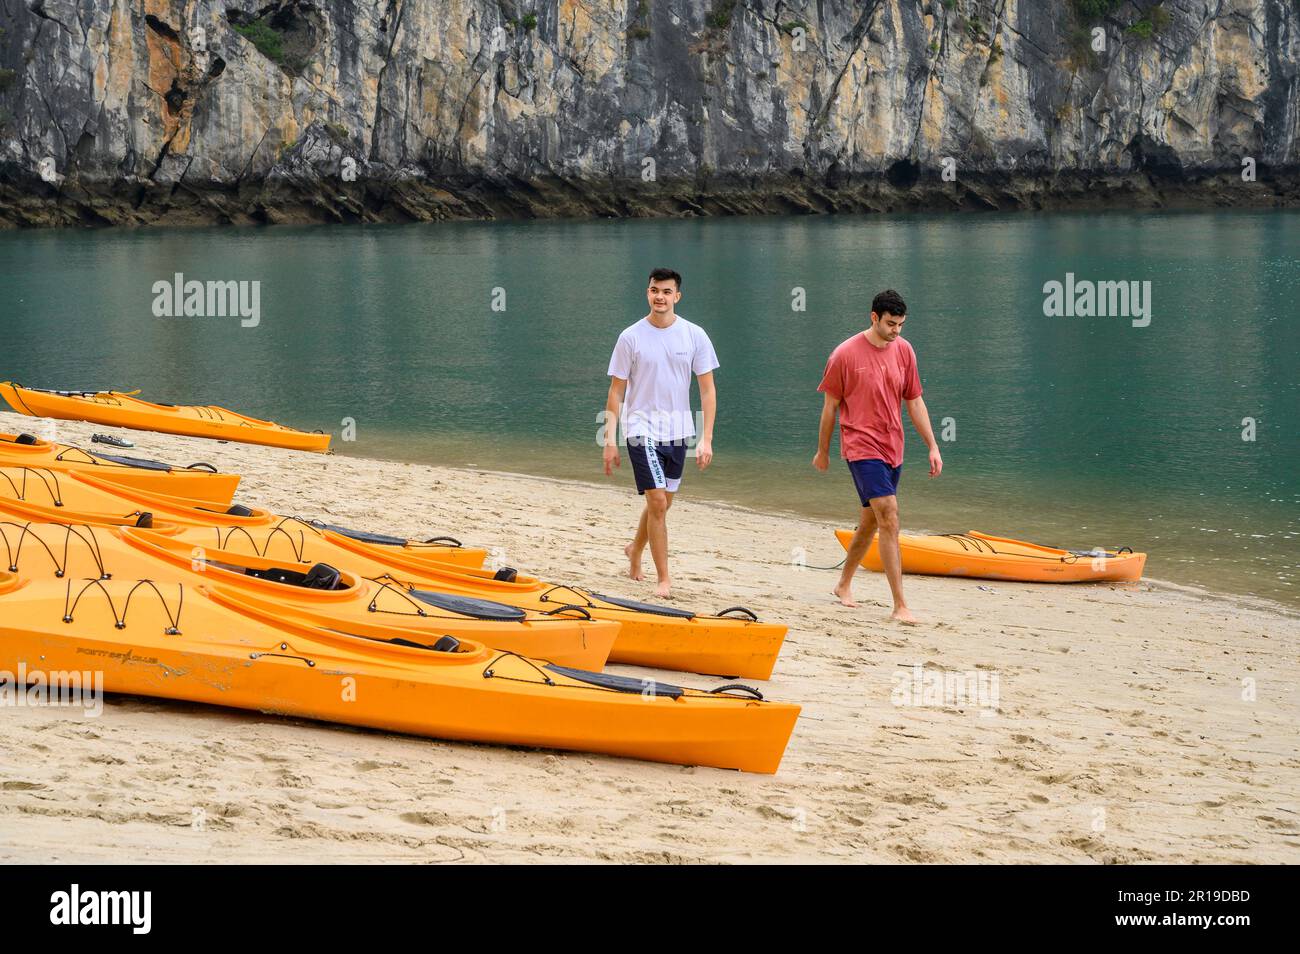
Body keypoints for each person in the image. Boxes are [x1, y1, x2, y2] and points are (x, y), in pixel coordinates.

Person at [813, 289, 942, 622]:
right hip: (860, 446)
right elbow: (830, 407)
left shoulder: (904, 350)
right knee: (890, 516)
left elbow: (914, 401)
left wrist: (932, 445)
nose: (896, 331)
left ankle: (843, 585)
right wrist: (823, 450)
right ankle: (900, 605)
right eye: (890, 324)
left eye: (900, 324)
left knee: (871, 521)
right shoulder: (844, 354)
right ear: (874, 317)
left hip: (893, 448)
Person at [603, 268, 719, 598]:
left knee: (662, 505)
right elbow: (616, 392)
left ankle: (635, 550)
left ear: (676, 297)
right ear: (647, 293)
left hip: (679, 432)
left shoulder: (694, 335)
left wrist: (706, 437)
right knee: (656, 502)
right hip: (640, 429)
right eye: (654, 290)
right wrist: (610, 440)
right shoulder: (631, 337)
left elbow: (708, 391)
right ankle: (664, 579)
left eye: (667, 292)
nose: (660, 297)